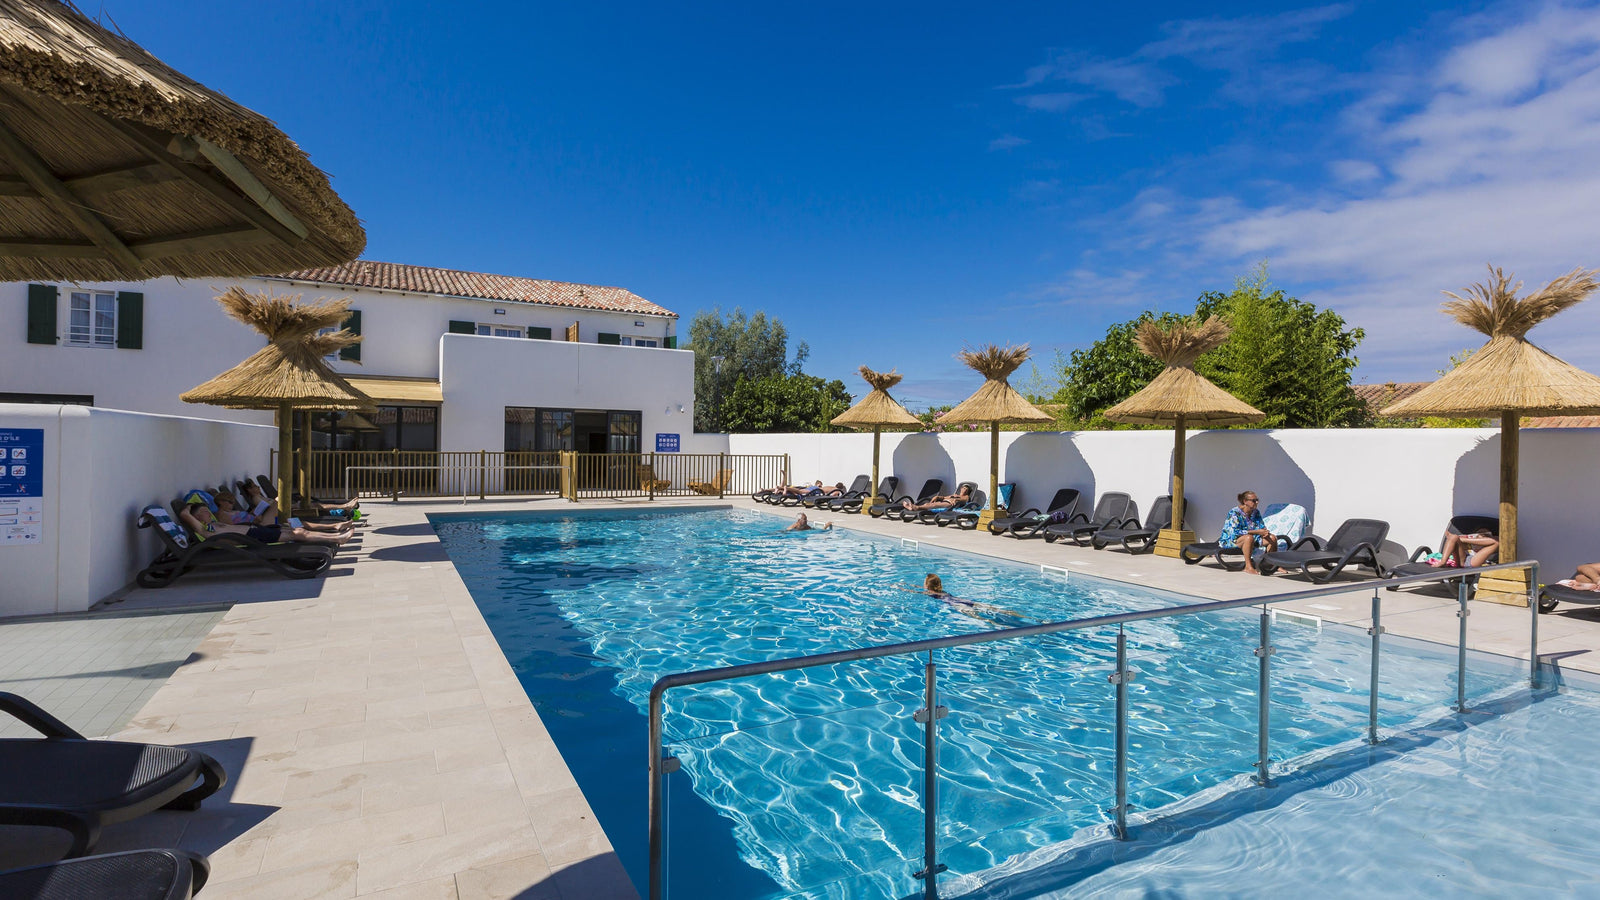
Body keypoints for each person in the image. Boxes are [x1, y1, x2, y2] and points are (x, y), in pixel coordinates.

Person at [179, 500, 350, 546]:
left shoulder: (214, 524)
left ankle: (335, 533)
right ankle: (336, 537)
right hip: (253, 536)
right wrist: (189, 507)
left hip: (255, 530)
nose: (207, 512)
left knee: (298, 528)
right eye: (203, 512)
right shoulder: (204, 530)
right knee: (298, 532)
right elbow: (184, 514)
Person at [215, 491, 351, 534]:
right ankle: (340, 513)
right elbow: (233, 528)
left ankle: (333, 526)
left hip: (259, 520)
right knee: (278, 500)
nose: (231, 504)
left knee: (299, 523)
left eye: (232, 502)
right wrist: (253, 520)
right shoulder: (222, 515)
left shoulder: (231, 511)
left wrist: (253, 514)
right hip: (259, 526)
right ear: (220, 502)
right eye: (229, 502)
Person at [1219, 490, 1275, 575]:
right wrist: (1256, 532)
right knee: (1248, 538)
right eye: (1253, 500)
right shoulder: (1234, 513)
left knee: (1272, 538)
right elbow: (1235, 532)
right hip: (1232, 540)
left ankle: (1270, 565)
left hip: (1253, 539)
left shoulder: (1256, 512)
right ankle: (1248, 566)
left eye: (1257, 500)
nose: (1256, 502)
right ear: (1245, 501)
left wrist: (1265, 532)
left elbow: (1261, 526)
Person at [1431, 527, 1498, 568]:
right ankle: (1443, 562)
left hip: (1473, 562)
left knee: (1496, 542)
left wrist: (1463, 539)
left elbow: (1494, 542)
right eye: (1479, 534)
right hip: (1463, 560)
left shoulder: (1492, 546)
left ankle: (1443, 562)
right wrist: (1458, 539)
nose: (1481, 534)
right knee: (1454, 537)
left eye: (1485, 535)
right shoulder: (1468, 546)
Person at [898, 483, 973, 514]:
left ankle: (916, 507)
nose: (964, 490)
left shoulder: (965, 497)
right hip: (946, 501)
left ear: (968, 491)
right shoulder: (955, 494)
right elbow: (944, 497)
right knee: (928, 503)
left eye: (966, 489)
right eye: (963, 488)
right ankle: (915, 507)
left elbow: (965, 500)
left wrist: (956, 499)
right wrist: (938, 497)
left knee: (934, 505)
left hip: (951, 504)